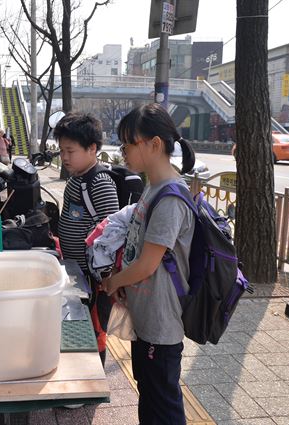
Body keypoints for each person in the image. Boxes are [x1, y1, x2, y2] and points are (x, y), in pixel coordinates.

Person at [100, 103, 196, 425]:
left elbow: (148, 265)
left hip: (161, 324)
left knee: (164, 406)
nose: (123, 151)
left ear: (154, 144)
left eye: (128, 144)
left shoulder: (169, 197)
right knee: (150, 396)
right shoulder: (152, 187)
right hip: (146, 317)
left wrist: (115, 282)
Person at [55, 112, 120, 367]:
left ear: (92, 148)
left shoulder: (99, 182)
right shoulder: (76, 179)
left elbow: (111, 236)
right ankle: (81, 371)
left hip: (93, 278)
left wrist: (104, 280)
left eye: (70, 150)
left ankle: (93, 380)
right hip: (76, 270)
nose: (65, 157)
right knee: (79, 323)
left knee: (95, 328)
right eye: (62, 151)